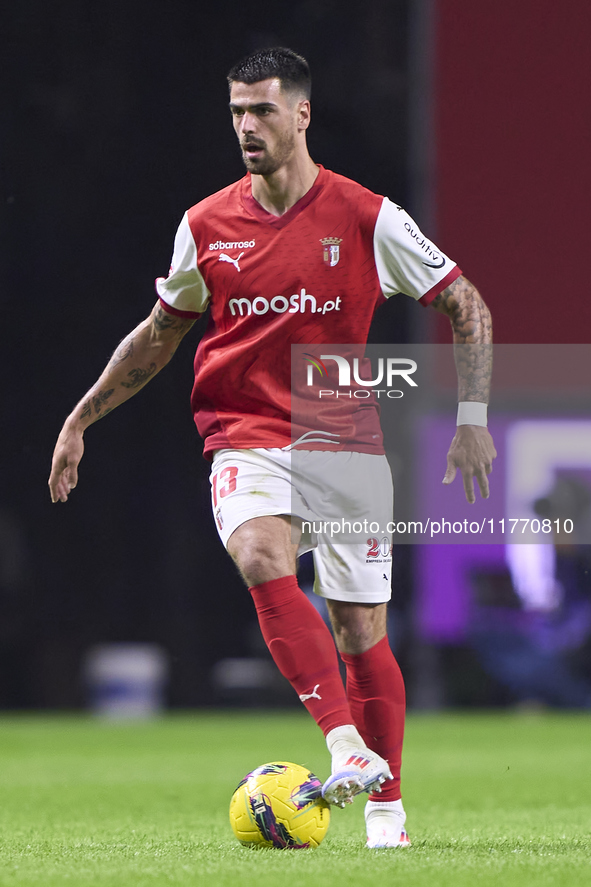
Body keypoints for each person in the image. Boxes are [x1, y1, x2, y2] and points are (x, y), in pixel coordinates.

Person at [48, 48, 496, 848]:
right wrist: (83, 416)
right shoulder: (205, 225)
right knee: (260, 553)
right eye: (235, 112)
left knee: (362, 632)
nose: (246, 127)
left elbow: (466, 304)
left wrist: (471, 416)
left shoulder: (367, 217)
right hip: (242, 432)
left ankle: (386, 811)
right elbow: (159, 334)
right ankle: (340, 741)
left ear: (301, 114)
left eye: (261, 110)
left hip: (343, 438)